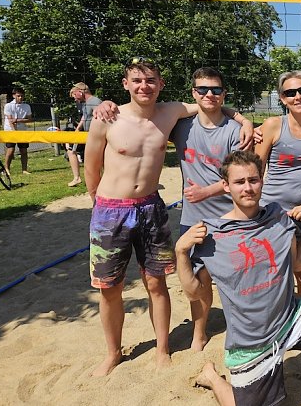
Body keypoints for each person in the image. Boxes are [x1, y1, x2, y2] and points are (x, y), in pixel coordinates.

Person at [84, 57, 253, 377]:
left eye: (150, 81)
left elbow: (211, 104)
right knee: (109, 288)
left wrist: (243, 120)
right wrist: (98, 203)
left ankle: (162, 349)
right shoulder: (108, 118)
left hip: (151, 207)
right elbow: (91, 168)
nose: (144, 86)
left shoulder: (170, 111)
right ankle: (112, 353)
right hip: (110, 210)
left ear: (160, 85)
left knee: (156, 283)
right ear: (126, 84)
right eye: (137, 80)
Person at [176, 150, 301, 406]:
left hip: (291, 319)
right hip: (251, 342)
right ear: (226, 186)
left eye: (253, 180)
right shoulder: (211, 235)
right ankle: (213, 377)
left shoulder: (278, 217)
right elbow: (194, 293)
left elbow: (299, 263)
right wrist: (181, 252)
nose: (248, 188)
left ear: (262, 180)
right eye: (239, 182)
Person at [170, 67, 241, 351]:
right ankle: (199, 332)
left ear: (224, 93)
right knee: (196, 280)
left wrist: (206, 191)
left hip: (229, 217)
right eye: (202, 89)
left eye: (215, 89)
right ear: (193, 94)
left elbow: (241, 176)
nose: (209, 94)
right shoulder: (180, 126)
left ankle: (239, 329)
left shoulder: (235, 131)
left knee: (234, 279)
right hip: (193, 217)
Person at [254, 70, 301, 309]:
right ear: (282, 98)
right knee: (269, 277)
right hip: (270, 213)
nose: (298, 97)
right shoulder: (274, 126)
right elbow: (255, 172)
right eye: (290, 93)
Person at [66, 82, 102, 187]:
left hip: (94, 136)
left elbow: (100, 116)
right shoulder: (86, 103)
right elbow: (84, 117)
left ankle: (98, 180)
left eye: (74, 95)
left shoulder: (95, 101)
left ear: (80, 92)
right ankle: (77, 178)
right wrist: (77, 129)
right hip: (85, 135)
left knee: (96, 160)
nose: (74, 98)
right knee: (71, 150)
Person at [3, 86, 33, 175]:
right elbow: (10, 120)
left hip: (22, 130)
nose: (20, 98)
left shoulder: (26, 106)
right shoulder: (8, 106)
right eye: (18, 96)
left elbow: (30, 119)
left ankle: (24, 169)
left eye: (22, 96)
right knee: (10, 150)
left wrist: (18, 120)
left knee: (23, 150)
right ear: (13, 96)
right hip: (10, 131)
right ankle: (6, 169)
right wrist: (14, 131)